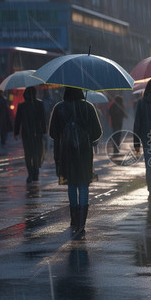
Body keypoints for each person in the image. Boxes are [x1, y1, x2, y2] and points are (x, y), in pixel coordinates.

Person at [49, 87, 102, 235]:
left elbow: (53, 133)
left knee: (71, 184)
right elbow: (97, 132)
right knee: (83, 184)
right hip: (84, 153)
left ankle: (74, 218)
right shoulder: (88, 107)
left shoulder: (59, 108)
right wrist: (85, 134)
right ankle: (82, 222)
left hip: (66, 152)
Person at [14, 86, 47, 183]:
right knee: (36, 153)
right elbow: (43, 119)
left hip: (26, 133)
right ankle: (35, 173)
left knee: (28, 155)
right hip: (37, 133)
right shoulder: (39, 104)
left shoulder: (22, 106)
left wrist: (16, 133)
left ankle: (30, 174)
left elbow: (18, 121)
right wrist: (44, 131)